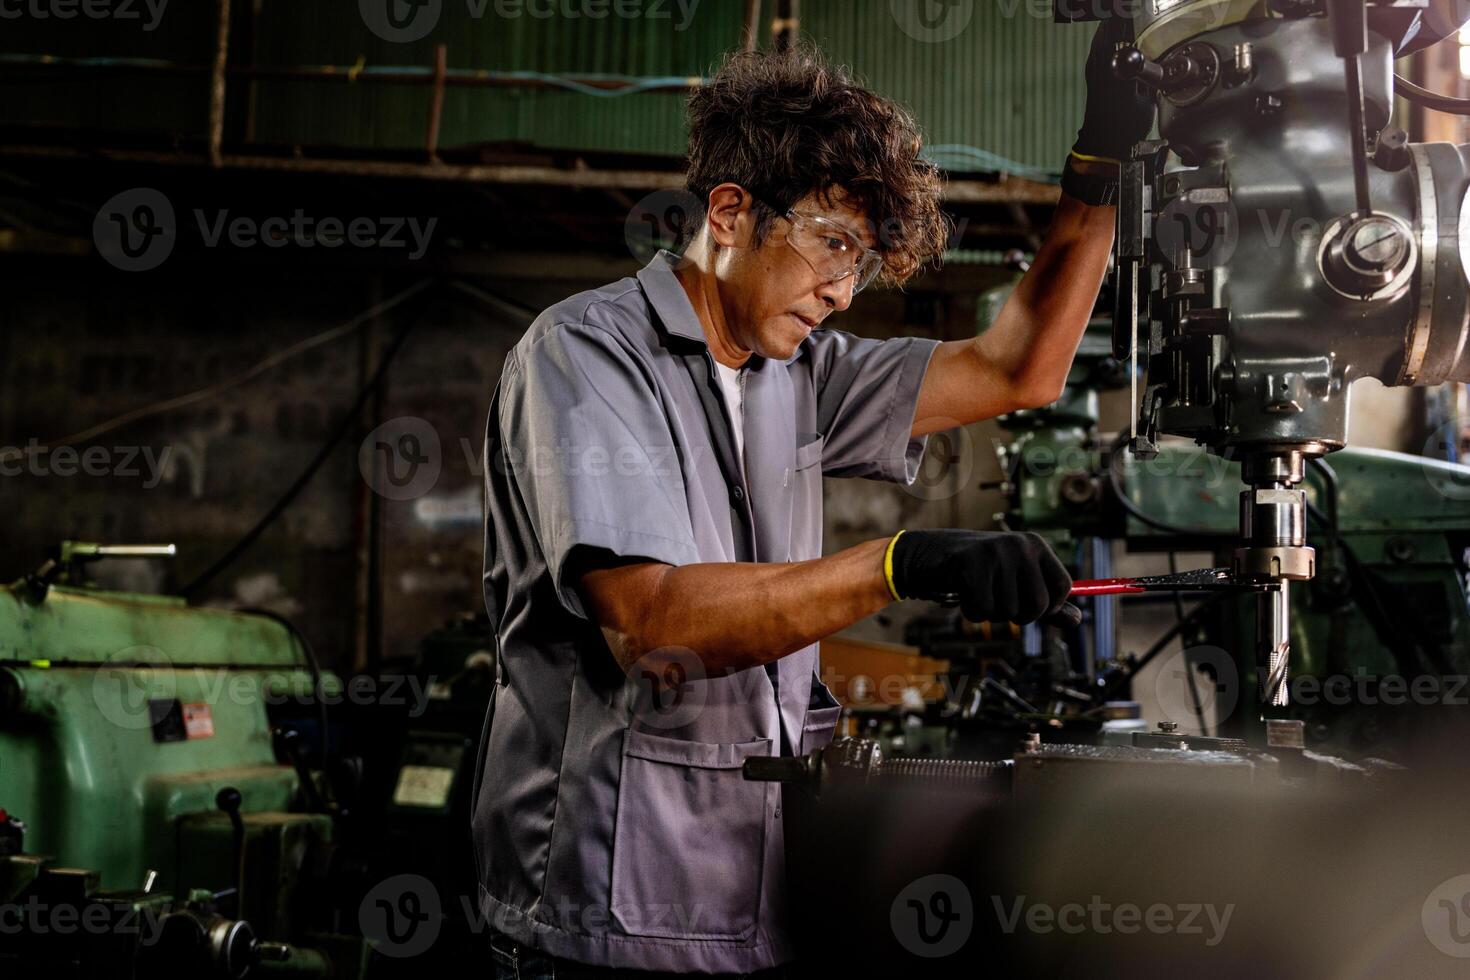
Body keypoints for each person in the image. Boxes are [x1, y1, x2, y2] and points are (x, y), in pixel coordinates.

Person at [474, 20, 1153, 979]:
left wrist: (1099, 164)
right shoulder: (585, 357)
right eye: (831, 243)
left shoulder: (796, 374)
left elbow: (1022, 366)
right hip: (605, 915)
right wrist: (898, 560)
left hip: (750, 902)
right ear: (727, 213)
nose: (842, 292)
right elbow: (651, 620)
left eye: (862, 263)